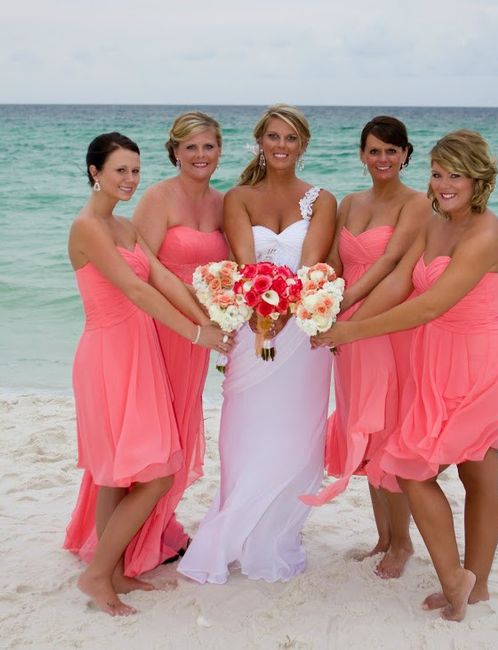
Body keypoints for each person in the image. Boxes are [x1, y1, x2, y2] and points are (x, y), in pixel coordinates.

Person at [314, 130, 498, 621]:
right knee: (433, 468)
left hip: (482, 363)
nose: (444, 184)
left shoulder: (485, 235)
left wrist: (353, 331)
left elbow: (430, 305)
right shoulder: (435, 223)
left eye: (456, 175)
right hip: (438, 361)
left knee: (450, 471)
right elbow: (398, 281)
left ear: (479, 179)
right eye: (437, 173)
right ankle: (464, 582)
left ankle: (467, 583)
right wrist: (342, 319)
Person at [64, 132, 231, 615]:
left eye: (135, 171)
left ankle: (113, 570)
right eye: (120, 170)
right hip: (108, 355)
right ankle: (97, 576)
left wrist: (208, 320)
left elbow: (162, 279)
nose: (130, 179)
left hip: (139, 352)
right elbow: (137, 292)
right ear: (95, 172)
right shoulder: (87, 228)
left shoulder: (123, 226)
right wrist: (196, 335)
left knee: (118, 475)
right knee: (155, 474)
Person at [178, 104, 337, 583]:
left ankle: (276, 534)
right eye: (273, 137)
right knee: (245, 430)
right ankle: (234, 528)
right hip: (252, 328)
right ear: (260, 143)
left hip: (303, 335)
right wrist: (263, 318)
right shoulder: (239, 198)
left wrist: (286, 314)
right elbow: (246, 266)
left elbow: (312, 267)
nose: (281, 146)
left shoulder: (322, 200)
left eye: (290, 138)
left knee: (296, 435)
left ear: (303, 145)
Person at [303, 116, 430, 580]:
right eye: (374, 150)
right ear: (361, 154)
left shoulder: (417, 203)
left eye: (392, 151)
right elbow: (337, 260)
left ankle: (403, 542)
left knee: (387, 425)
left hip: (382, 321)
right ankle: (383, 537)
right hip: (346, 321)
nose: (383, 159)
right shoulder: (351, 202)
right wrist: (318, 299)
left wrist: (346, 306)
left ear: (406, 154)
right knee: (363, 423)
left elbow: (392, 261)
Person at [132, 111, 229, 561]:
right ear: (174, 152)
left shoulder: (224, 203)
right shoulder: (158, 197)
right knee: (154, 430)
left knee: (182, 424)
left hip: (200, 335)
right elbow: (145, 269)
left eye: (208, 146)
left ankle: (159, 523)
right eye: (190, 147)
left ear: (220, 151)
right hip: (163, 327)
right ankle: (132, 535)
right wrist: (194, 317)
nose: (200, 155)